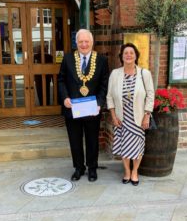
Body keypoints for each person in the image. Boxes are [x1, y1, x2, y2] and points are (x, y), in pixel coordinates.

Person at [58, 29, 109, 182]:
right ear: (76, 43)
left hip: (92, 109)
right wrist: (65, 97)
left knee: (92, 140)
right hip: (72, 109)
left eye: (87, 41)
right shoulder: (67, 59)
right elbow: (61, 80)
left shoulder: (101, 60)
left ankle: (92, 168)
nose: (84, 44)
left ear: (92, 43)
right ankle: (79, 168)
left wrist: (100, 103)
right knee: (75, 140)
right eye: (81, 42)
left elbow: (104, 84)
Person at [106, 43, 154, 186]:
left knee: (137, 146)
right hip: (121, 118)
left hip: (138, 118)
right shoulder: (115, 74)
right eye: (125, 53)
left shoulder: (144, 73)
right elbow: (109, 97)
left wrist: (147, 115)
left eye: (131, 53)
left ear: (136, 56)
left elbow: (151, 95)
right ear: (121, 56)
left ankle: (135, 172)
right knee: (124, 146)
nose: (128, 55)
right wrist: (113, 116)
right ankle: (127, 171)